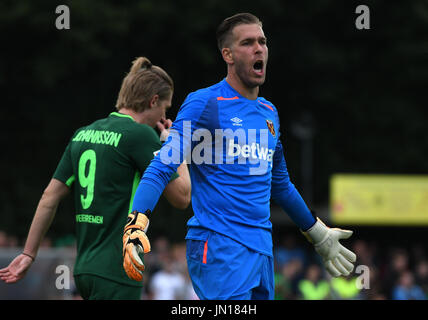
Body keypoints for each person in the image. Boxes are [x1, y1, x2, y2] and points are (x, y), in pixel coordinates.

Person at [124, 13, 356, 300]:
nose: (258, 48)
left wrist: (317, 232)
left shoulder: (269, 113)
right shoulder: (204, 102)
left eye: (262, 42)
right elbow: (163, 164)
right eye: (247, 43)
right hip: (219, 245)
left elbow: (280, 184)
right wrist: (136, 223)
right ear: (228, 54)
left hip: (261, 250)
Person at [0, 57, 191, 300]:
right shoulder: (140, 135)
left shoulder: (83, 134)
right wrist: (176, 147)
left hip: (84, 270)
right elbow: (182, 197)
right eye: (165, 107)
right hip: (119, 268)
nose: (164, 115)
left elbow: (49, 196)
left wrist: (28, 253)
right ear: (153, 101)